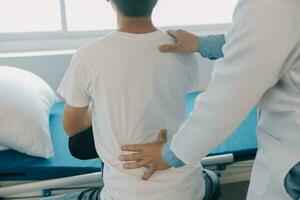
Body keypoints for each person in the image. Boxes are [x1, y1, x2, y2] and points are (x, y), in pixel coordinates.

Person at [120, 0, 300, 199]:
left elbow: (229, 97)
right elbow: (268, 36)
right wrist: (202, 44)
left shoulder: (270, 6)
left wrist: (171, 154)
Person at [45, 0, 221, 199]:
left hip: (124, 195)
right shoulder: (180, 48)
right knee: (210, 177)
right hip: (188, 191)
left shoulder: (88, 56)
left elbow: (71, 127)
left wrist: (100, 106)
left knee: (78, 142)